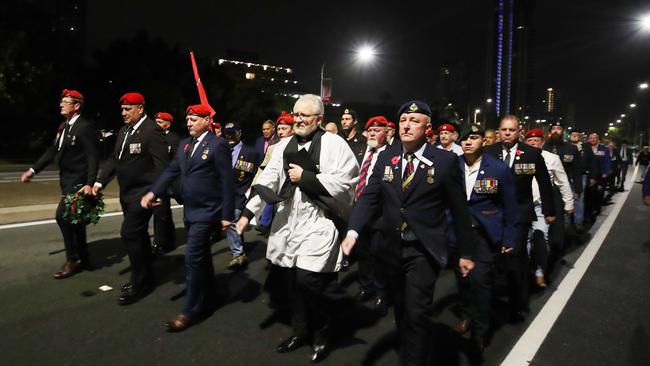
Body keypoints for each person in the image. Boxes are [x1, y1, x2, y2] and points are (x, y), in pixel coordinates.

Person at [341, 100, 475, 365]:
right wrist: (353, 231)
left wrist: (466, 252)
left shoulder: (446, 161)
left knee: (417, 312)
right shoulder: (387, 157)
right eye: (403, 120)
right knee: (401, 310)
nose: (407, 125)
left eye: (414, 121)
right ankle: (416, 351)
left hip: (423, 250)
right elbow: (369, 197)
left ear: (428, 128)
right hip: (390, 248)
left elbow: (459, 211)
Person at [236, 94, 358, 363]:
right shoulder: (283, 146)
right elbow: (268, 179)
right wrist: (247, 213)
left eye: (305, 115)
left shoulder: (335, 144)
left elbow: (347, 181)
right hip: (289, 220)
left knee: (309, 279)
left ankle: (325, 328)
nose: (299, 119)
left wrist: (307, 178)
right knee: (293, 284)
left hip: (320, 221)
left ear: (319, 119)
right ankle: (301, 330)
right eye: (296, 114)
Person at [141, 104, 234, 332]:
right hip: (190, 210)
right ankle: (210, 295)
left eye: (194, 119)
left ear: (206, 121)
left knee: (192, 258)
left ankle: (190, 310)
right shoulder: (184, 145)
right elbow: (171, 171)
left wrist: (227, 214)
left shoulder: (218, 144)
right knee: (202, 257)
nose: (189, 123)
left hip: (207, 211)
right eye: (188, 119)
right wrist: (154, 192)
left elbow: (227, 181)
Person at [93, 92, 170, 305]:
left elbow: (162, 167)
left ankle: (139, 283)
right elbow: (114, 160)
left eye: (128, 109)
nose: (123, 113)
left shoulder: (152, 131)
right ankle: (147, 276)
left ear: (140, 108)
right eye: (122, 109)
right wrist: (100, 182)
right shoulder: (124, 131)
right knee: (139, 237)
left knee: (128, 233)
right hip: (126, 194)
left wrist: (156, 193)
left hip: (144, 194)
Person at [451, 124, 517, 354]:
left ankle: (480, 330)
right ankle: (466, 315)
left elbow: (510, 206)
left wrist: (509, 237)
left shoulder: (498, 169)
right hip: (457, 234)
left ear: (484, 141)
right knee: (462, 280)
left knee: (480, 282)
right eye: (464, 139)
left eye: (474, 138)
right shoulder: (452, 167)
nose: (468, 142)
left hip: (485, 236)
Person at [21, 89, 100, 278]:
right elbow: (51, 151)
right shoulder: (64, 127)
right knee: (75, 221)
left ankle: (72, 259)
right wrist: (33, 170)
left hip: (78, 183)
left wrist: (90, 183)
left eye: (65, 102)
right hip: (66, 181)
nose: (61, 104)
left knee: (62, 217)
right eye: (61, 101)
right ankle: (84, 257)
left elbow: (92, 157)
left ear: (77, 106)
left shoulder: (84, 127)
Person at [483, 115, 555, 321]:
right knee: (494, 259)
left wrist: (549, 210)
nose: (507, 133)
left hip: (519, 214)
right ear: (498, 131)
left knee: (516, 258)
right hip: (493, 213)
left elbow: (544, 183)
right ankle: (491, 301)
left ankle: (518, 303)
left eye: (511, 130)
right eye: (504, 130)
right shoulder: (488, 152)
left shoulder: (532, 154)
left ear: (518, 132)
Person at [525, 129, 574, 288]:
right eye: (530, 141)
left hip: (540, 207)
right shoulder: (520, 157)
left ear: (542, 142)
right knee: (524, 242)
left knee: (541, 239)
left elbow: (563, 181)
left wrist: (569, 203)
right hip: (523, 207)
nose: (533, 143)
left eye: (536, 140)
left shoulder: (552, 159)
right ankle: (524, 272)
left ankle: (539, 272)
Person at [353, 115, 391, 316]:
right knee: (363, 252)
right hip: (359, 209)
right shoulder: (360, 151)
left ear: (386, 132)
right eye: (371, 130)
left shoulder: (392, 154)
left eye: (378, 130)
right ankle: (365, 287)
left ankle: (380, 292)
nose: (374, 133)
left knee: (379, 254)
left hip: (380, 213)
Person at [223, 121, 260, 269]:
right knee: (233, 222)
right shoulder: (221, 149)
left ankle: (238, 254)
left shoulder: (251, 152)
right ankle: (240, 247)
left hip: (240, 193)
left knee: (232, 220)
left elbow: (258, 173)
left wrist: (249, 191)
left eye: (232, 133)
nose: (230, 137)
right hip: (224, 192)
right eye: (227, 134)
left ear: (239, 133)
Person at [151, 112, 179, 254]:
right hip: (152, 180)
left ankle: (159, 243)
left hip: (165, 180)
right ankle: (169, 239)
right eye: (156, 121)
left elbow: (176, 162)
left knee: (161, 212)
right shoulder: (152, 137)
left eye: (160, 122)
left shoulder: (173, 139)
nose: (157, 124)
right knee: (163, 211)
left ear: (168, 124)